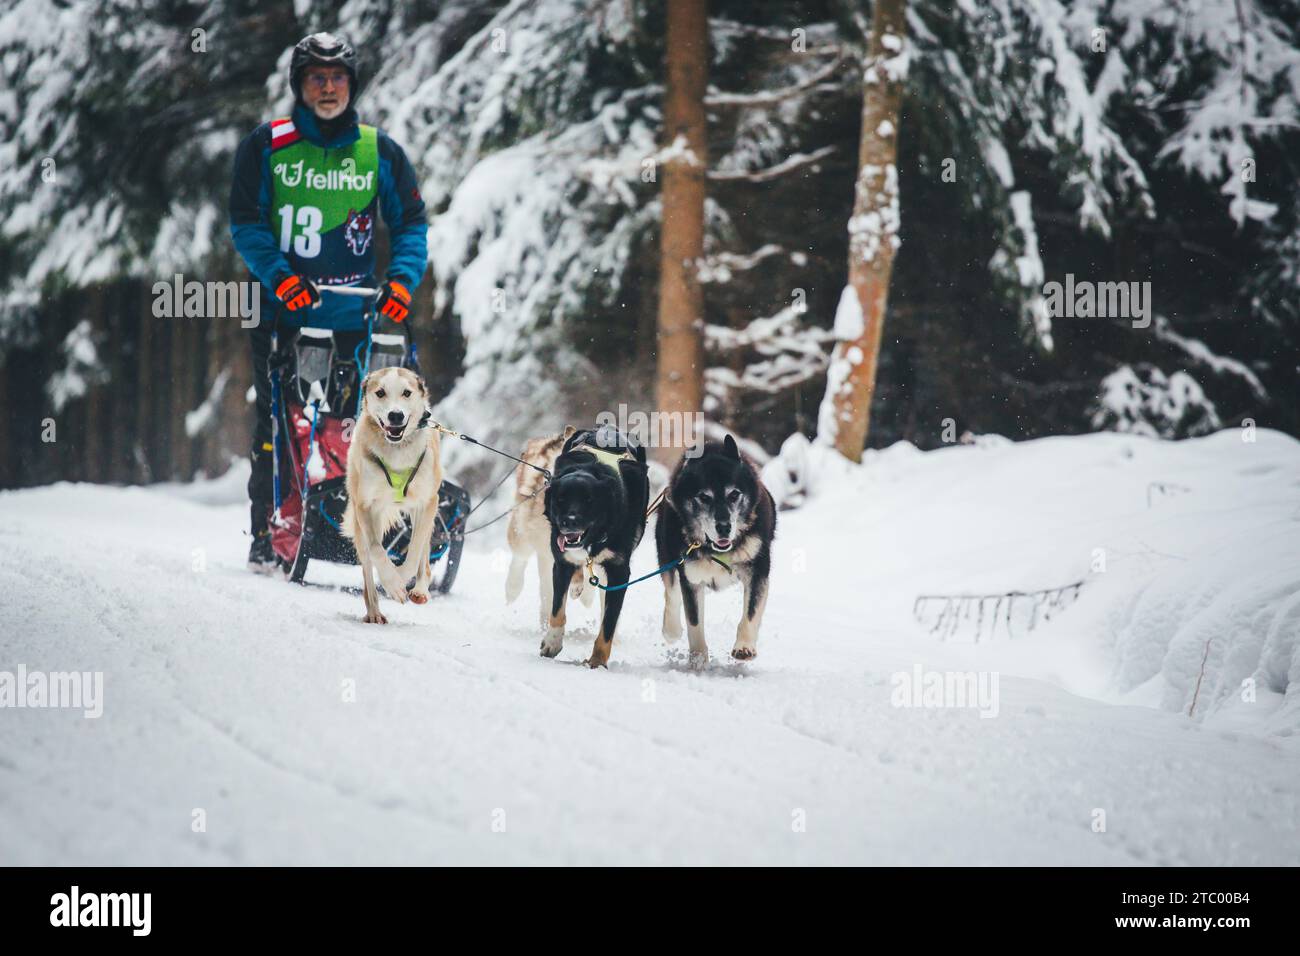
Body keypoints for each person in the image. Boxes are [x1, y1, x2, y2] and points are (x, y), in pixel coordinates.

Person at [228, 32, 428, 573]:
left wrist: (402, 282)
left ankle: (363, 526)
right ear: (299, 84)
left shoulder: (378, 150)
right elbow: (245, 223)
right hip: (280, 310)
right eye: (317, 77)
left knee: (358, 423)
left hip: (354, 315)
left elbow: (410, 223)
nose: (328, 87)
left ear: (351, 85)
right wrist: (281, 278)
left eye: (338, 77)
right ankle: (268, 533)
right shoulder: (266, 144)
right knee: (277, 425)